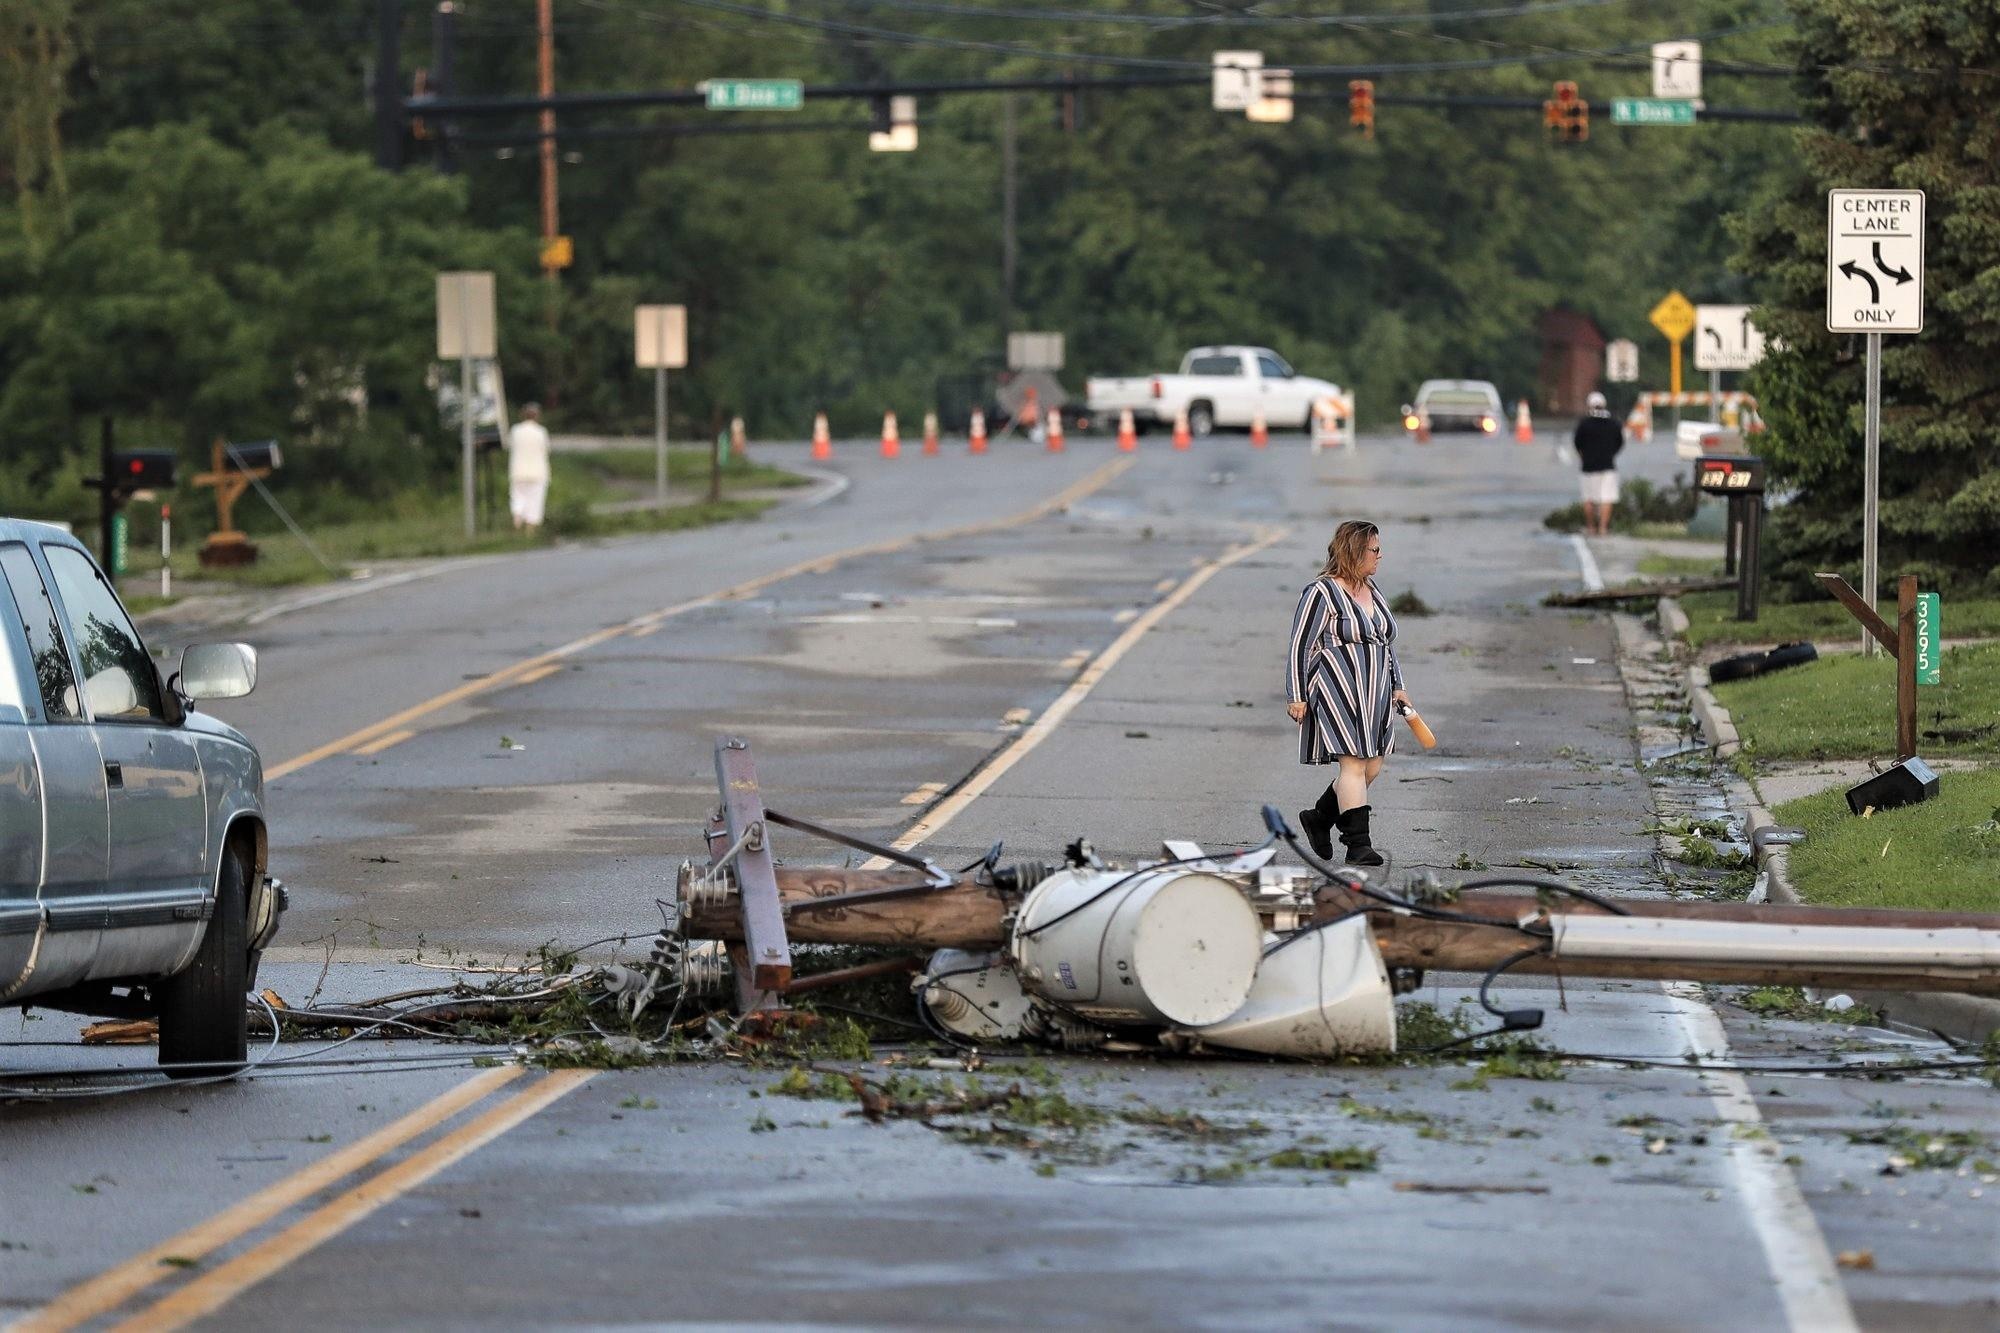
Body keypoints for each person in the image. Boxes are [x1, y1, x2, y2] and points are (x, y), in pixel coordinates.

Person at [1285, 521, 1412, 867]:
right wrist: (1297, 694)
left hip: (1376, 694)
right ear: (1355, 551)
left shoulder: (1374, 590)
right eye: (1374, 549)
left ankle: (1320, 818)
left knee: (1370, 768)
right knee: (1353, 765)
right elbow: (1301, 645)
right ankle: (1358, 845)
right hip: (1337, 690)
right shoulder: (1321, 592)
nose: (1380, 555)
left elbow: (1385, 644)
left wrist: (1398, 685)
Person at [1574, 390, 1624, 537]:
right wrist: (1611, 453)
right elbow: (1620, 442)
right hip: (1608, 465)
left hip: (1588, 467)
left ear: (1589, 406)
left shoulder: (1584, 424)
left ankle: (1591, 527)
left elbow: (1577, 444)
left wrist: (1584, 456)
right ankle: (1603, 528)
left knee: (1589, 498)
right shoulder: (1613, 423)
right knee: (1606, 497)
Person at [508, 403, 552, 535]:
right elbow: (546, 450)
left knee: (518, 497)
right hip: (537, 471)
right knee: (535, 500)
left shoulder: (516, 430)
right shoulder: (541, 432)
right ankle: (530, 530)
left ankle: (517, 522)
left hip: (518, 471)